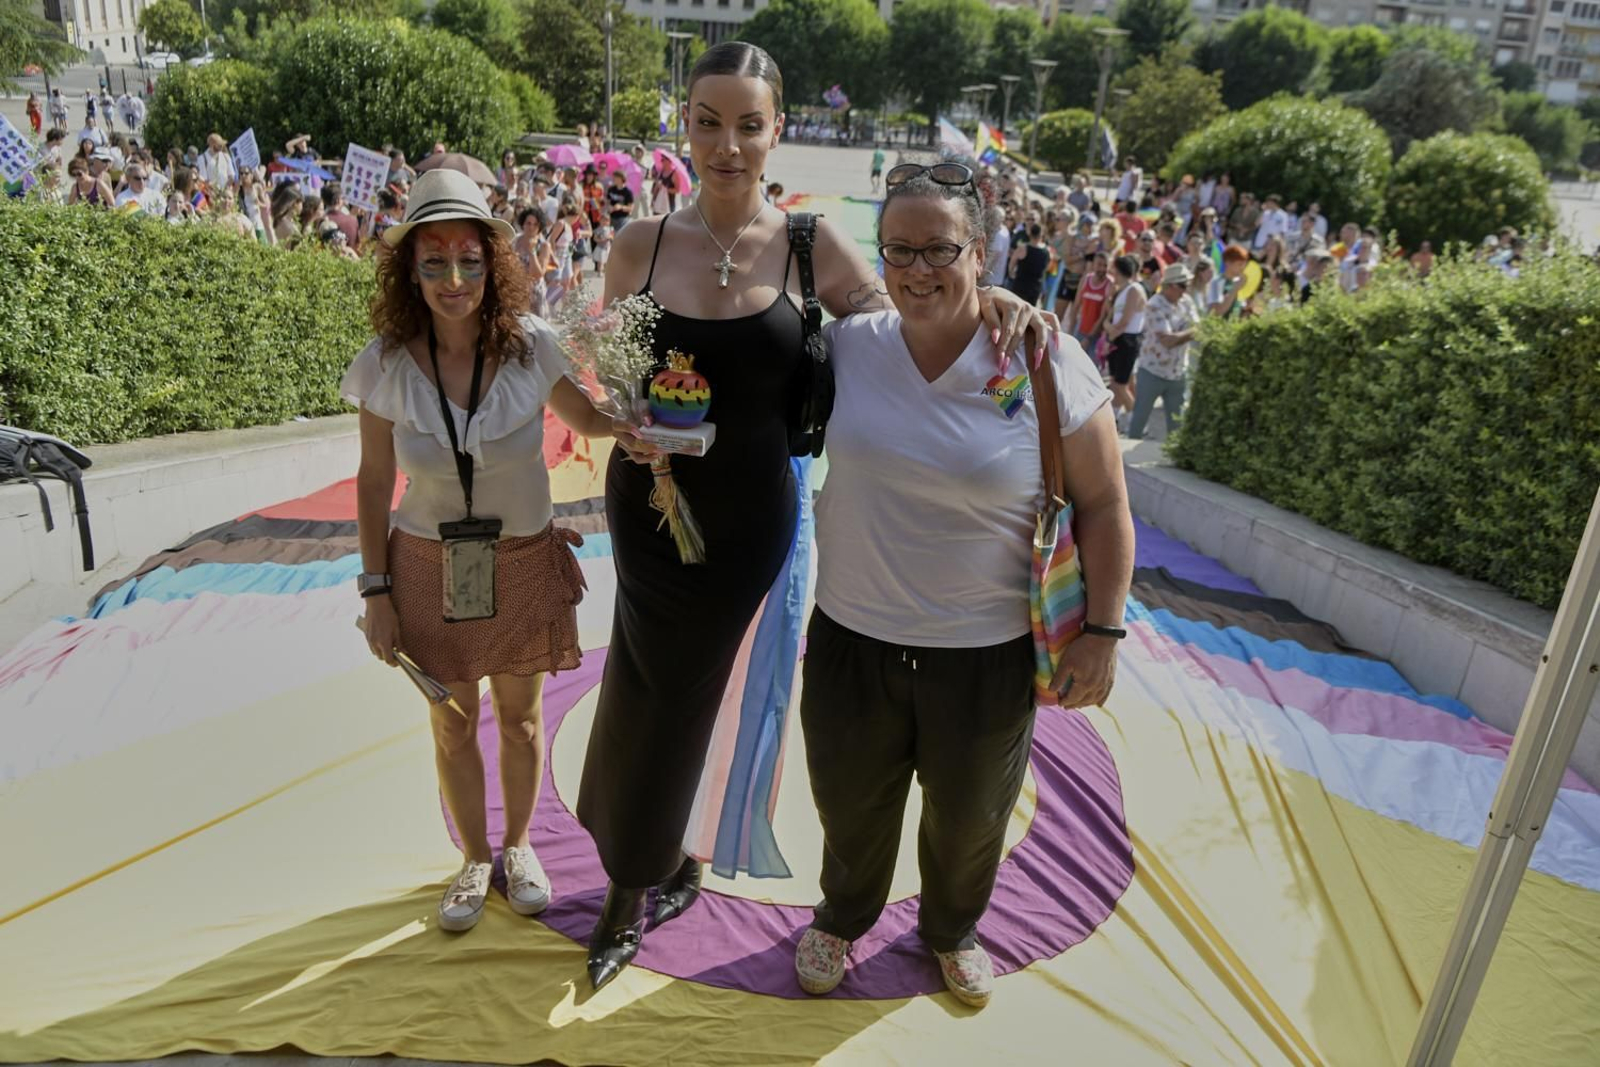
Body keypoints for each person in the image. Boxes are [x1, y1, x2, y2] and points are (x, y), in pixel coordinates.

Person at [577, 42, 1051, 993]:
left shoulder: (810, 244)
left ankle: (659, 860)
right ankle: (637, 874)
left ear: (776, 130)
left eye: (748, 125)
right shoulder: (641, 244)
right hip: (650, 509)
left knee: (699, 693)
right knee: (645, 684)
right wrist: (618, 420)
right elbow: (598, 364)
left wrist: (988, 293)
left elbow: (912, 318)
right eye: (708, 122)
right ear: (685, 127)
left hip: (751, 520)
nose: (727, 144)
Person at [792, 160, 1133, 1008]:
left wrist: (1104, 630)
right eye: (898, 249)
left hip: (986, 655)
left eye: (939, 248)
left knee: (973, 816)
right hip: (852, 639)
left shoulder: (1042, 357)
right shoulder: (848, 347)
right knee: (851, 803)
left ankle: (951, 928)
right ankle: (843, 915)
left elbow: (1104, 502)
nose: (917, 269)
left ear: (980, 251)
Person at [345, 168, 614, 935]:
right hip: (427, 569)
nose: (454, 280)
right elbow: (373, 482)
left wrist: (643, 410)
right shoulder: (385, 364)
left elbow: (589, 421)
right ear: (411, 269)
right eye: (434, 262)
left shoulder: (531, 346)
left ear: (492, 264)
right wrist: (376, 593)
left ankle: (519, 845)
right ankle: (473, 856)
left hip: (523, 560)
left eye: (468, 260)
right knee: (454, 722)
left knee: (521, 722)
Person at [1127, 263, 1201, 441]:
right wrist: (1190, 332)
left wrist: (1182, 334)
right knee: (1139, 421)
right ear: (1170, 286)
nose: (1185, 290)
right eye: (1182, 285)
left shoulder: (1186, 301)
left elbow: (1198, 327)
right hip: (1152, 371)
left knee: (1177, 426)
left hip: (1177, 372)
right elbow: (1168, 341)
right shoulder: (1154, 305)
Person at [1102, 254, 1145, 433]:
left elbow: (1126, 320)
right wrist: (1109, 330)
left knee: (1120, 385)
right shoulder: (1121, 290)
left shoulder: (1134, 289)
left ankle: (1137, 423)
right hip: (1117, 339)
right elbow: (1109, 317)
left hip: (1127, 341)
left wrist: (1111, 335)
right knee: (1115, 383)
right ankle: (1114, 420)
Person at [1007, 223, 1050, 306]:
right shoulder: (1046, 251)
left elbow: (1012, 263)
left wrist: (1011, 274)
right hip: (1035, 289)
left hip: (1020, 286)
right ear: (1042, 235)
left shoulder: (1022, 248)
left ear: (1030, 234)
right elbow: (1046, 268)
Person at [605, 169, 634, 233]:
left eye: (615, 177)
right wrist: (609, 207)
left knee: (620, 235)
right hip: (611, 217)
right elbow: (607, 202)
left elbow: (631, 208)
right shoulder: (611, 189)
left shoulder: (628, 192)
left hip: (623, 218)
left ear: (621, 179)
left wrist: (621, 207)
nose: (613, 179)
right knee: (611, 235)